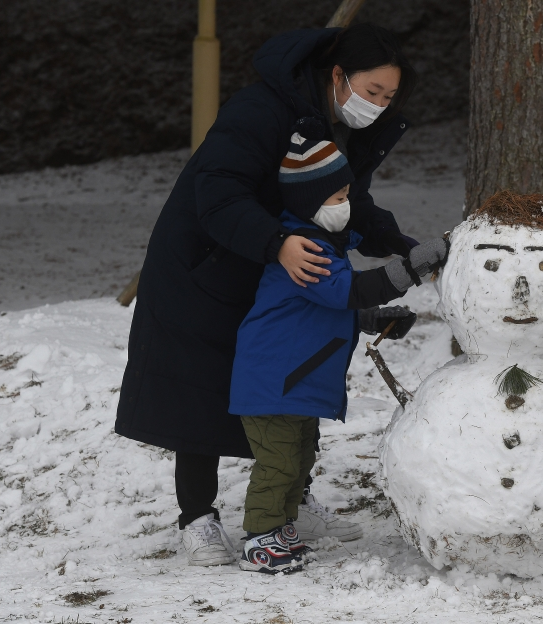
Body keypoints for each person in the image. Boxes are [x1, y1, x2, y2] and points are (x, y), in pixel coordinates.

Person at [114, 23, 421, 567]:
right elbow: (218, 189)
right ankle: (197, 516)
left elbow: (349, 200)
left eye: (390, 97)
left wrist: (398, 242)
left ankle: (293, 501)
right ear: (337, 75)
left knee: (290, 385)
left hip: (277, 264)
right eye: (372, 92)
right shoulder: (260, 111)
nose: (378, 106)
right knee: (202, 388)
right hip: (205, 265)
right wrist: (276, 242)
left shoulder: (335, 123)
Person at [231, 133, 448, 573]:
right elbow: (347, 291)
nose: (346, 203)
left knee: (298, 460)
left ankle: (283, 526)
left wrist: (373, 319)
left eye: (348, 193)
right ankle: (260, 537)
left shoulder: (324, 245)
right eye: (338, 195)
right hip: (274, 380)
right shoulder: (305, 249)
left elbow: (324, 306)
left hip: (296, 381)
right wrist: (410, 268)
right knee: (277, 464)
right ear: (311, 200)